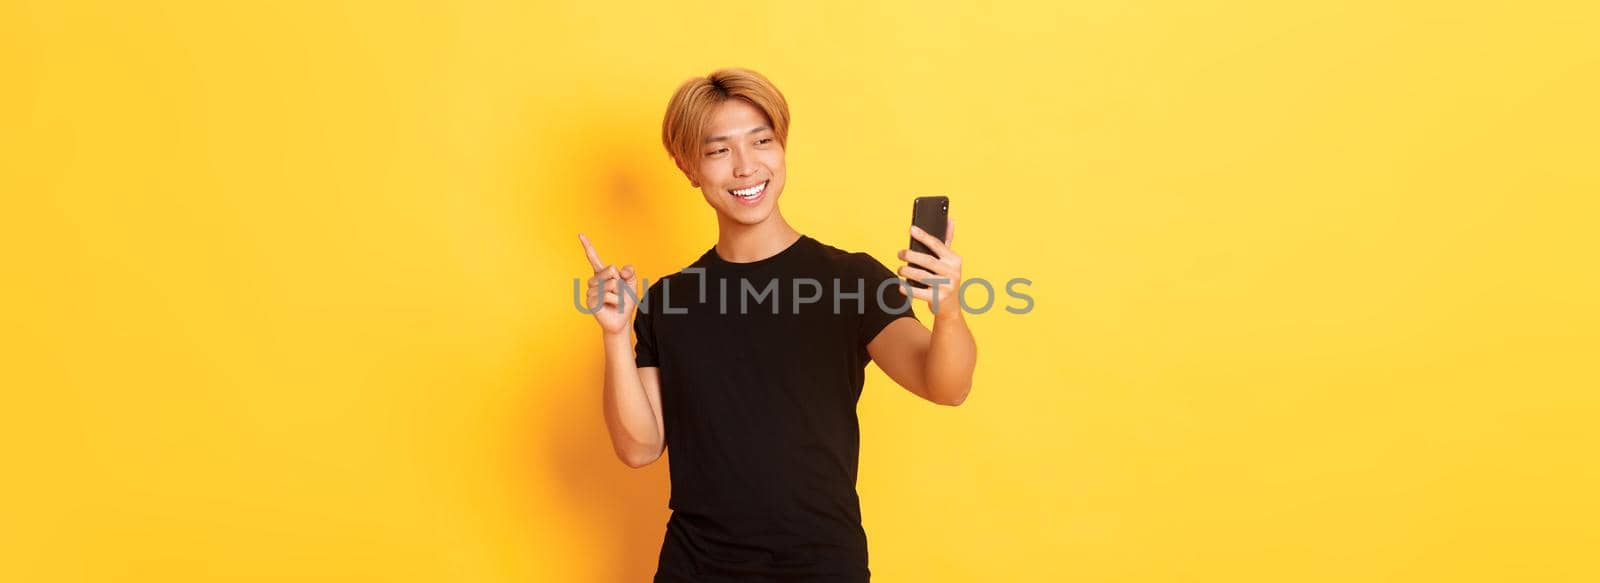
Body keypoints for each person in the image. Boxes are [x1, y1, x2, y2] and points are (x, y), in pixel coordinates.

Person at [578, 67, 977, 582]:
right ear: (689, 167)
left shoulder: (849, 279)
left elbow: (946, 385)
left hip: (822, 565)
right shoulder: (668, 301)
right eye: (719, 150)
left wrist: (947, 310)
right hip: (696, 567)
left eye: (761, 141)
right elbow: (639, 447)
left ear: (782, 149)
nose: (746, 167)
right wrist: (614, 334)